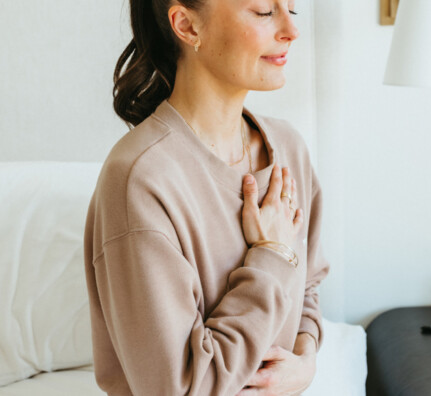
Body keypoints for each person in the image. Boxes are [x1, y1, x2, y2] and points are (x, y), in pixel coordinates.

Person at [83, 0, 330, 395]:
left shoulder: (289, 148)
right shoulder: (139, 181)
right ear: (187, 26)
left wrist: (305, 364)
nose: (291, 30)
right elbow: (178, 387)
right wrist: (271, 255)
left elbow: (308, 287)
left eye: (292, 9)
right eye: (265, 12)